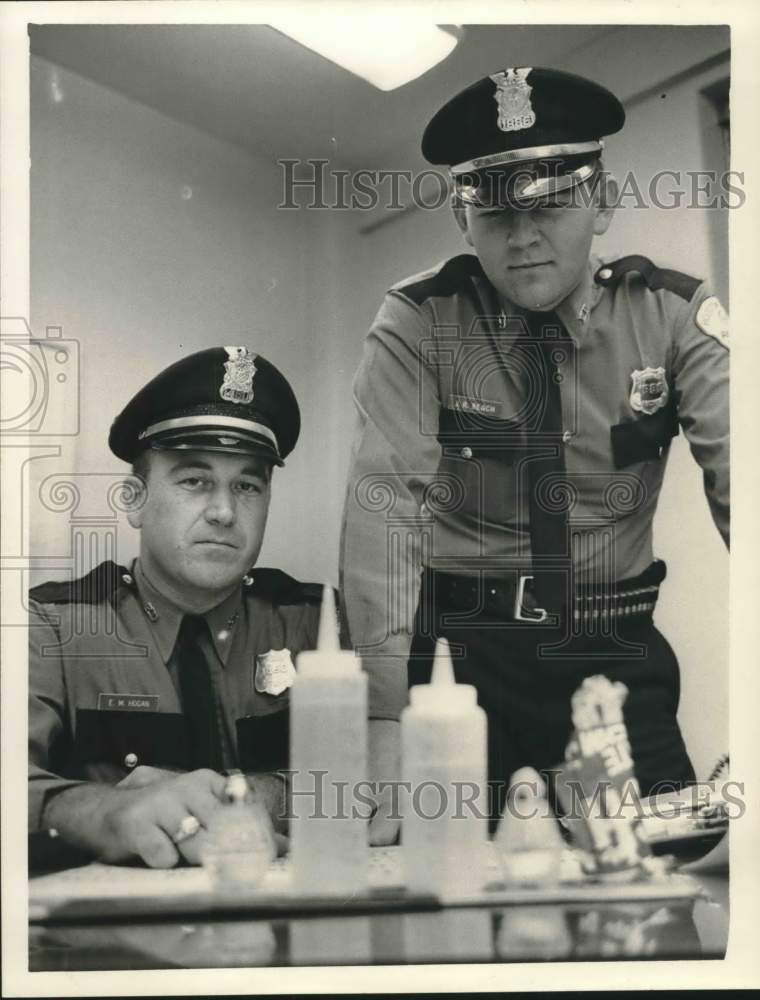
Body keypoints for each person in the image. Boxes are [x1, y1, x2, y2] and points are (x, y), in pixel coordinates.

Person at [339, 67, 729, 841]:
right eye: (493, 211)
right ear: (462, 219)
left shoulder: (674, 318)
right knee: (439, 887)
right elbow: (382, 518)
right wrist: (382, 716)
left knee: (657, 878)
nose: (521, 237)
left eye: (549, 203)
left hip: (610, 659)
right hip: (457, 661)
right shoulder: (419, 321)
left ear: (603, 201)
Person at [29, 346, 323, 868]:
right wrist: (108, 814)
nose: (224, 511)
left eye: (248, 486)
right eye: (195, 481)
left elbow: (391, 778)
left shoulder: (319, 627)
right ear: (134, 499)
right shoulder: (51, 628)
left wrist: (256, 798)